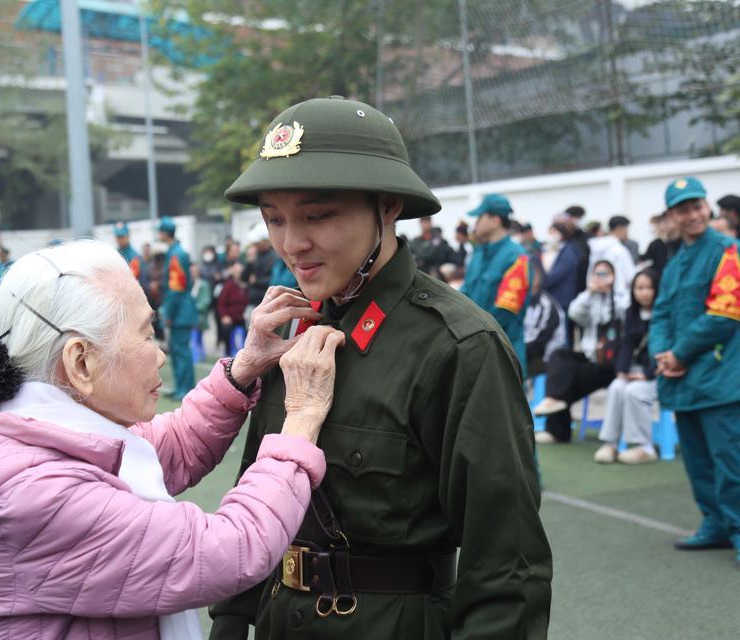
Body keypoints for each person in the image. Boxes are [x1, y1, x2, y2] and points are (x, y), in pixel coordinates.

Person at [210, 96, 551, 639]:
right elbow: (257, 495)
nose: (292, 243)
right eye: (273, 218)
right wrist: (229, 625)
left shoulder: (460, 346)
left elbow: (506, 563)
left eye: (317, 216)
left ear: (387, 207)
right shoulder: (291, 324)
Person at [0, 238, 345, 639]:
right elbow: (230, 548)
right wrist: (301, 420)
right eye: (146, 335)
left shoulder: (26, 434)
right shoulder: (35, 497)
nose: (161, 353)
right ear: (81, 363)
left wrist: (242, 369)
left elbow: (164, 447)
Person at [649, 177, 740, 568]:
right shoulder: (674, 263)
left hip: (719, 378)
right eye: (683, 209)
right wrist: (661, 354)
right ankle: (715, 526)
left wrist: (680, 352)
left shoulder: (728, 251)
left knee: (730, 463)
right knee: (698, 463)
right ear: (672, 216)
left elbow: (723, 313)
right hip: (682, 380)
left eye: (697, 206)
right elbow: (660, 314)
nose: (693, 214)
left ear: (708, 207)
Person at [534, 259, 629, 443]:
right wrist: (590, 292)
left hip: (610, 362)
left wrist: (610, 294)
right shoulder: (588, 298)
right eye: (597, 274)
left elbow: (625, 312)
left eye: (605, 274)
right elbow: (574, 313)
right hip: (589, 356)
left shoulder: (622, 299)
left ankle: (557, 429)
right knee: (559, 357)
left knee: (564, 383)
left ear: (614, 276)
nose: (601, 279)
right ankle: (554, 403)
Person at [594, 268, 661, 464]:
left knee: (634, 392)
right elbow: (627, 344)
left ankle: (645, 447)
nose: (645, 292)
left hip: (659, 374)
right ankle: (611, 443)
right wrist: (622, 371)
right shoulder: (631, 313)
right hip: (638, 371)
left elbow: (664, 347)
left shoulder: (663, 313)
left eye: (649, 287)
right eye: (639, 288)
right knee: (616, 386)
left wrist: (647, 375)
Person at [460, 193, 532, 374]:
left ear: (495, 221)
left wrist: (471, 334)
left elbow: (505, 311)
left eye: (479, 217)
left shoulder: (516, 257)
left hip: (503, 351)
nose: (475, 223)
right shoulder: (478, 255)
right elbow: (463, 295)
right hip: (473, 348)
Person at [158, 217, 199, 399]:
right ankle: (181, 386)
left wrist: (169, 313)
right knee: (177, 351)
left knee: (181, 351)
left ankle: (186, 388)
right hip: (181, 310)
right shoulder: (176, 252)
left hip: (180, 312)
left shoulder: (175, 254)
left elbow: (176, 288)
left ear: (164, 233)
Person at [524, 260, 566, 378]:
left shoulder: (547, 306)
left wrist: (511, 350)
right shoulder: (523, 300)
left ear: (535, 280)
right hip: (527, 353)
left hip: (544, 360)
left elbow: (537, 342)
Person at [587, 215, 637, 294]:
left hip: (595, 294)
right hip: (616, 297)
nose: (627, 233)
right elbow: (630, 278)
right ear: (619, 228)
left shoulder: (595, 248)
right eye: (627, 229)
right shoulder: (620, 250)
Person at [216, 261, 249, 356]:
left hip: (244, 317)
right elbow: (221, 303)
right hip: (231, 317)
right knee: (226, 329)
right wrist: (224, 316)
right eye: (237, 272)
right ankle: (228, 353)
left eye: (240, 272)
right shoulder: (228, 286)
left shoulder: (248, 286)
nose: (239, 274)